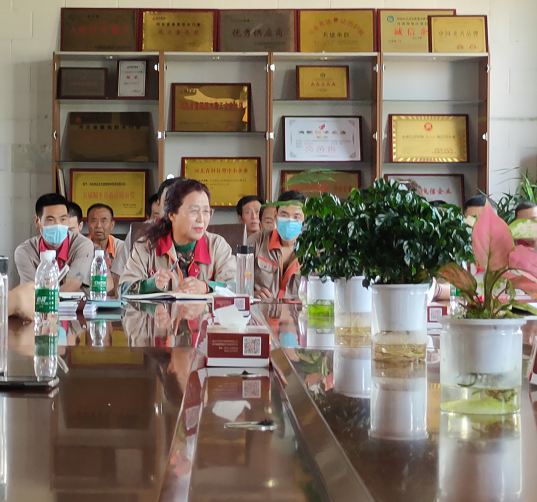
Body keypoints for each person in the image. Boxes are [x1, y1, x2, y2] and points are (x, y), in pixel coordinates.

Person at [119, 179, 236, 296]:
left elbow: (235, 286)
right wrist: (151, 284)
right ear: (172, 215)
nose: (201, 219)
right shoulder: (147, 246)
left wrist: (206, 287)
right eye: (194, 211)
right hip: (160, 308)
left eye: (206, 211)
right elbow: (122, 289)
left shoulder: (217, 245)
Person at [14, 193, 94, 292]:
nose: (58, 225)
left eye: (63, 219)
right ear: (37, 221)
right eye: (50, 220)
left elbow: (72, 285)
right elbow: (33, 291)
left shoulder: (82, 245)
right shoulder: (25, 252)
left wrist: (50, 297)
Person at [112, 178, 179, 280]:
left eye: (178, 203)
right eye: (168, 202)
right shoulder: (139, 232)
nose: (173, 208)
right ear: (158, 204)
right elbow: (119, 277)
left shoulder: (201, 235)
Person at [248, 190, 306, 300]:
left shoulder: (313, 251)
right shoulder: (256, 242)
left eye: (296, 217)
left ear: (304, 220)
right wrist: (251, 294)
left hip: (298, 310)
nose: (290, 221)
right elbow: (238, 284)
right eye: (284, 215)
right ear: (276, 216)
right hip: (261, 308)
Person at [86, 203, 124, 270]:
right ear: (87, 224)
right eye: (94, 221)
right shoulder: (81, 247)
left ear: (112, 225)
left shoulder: (122, 248)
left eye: (103, 221)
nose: (98, 226)